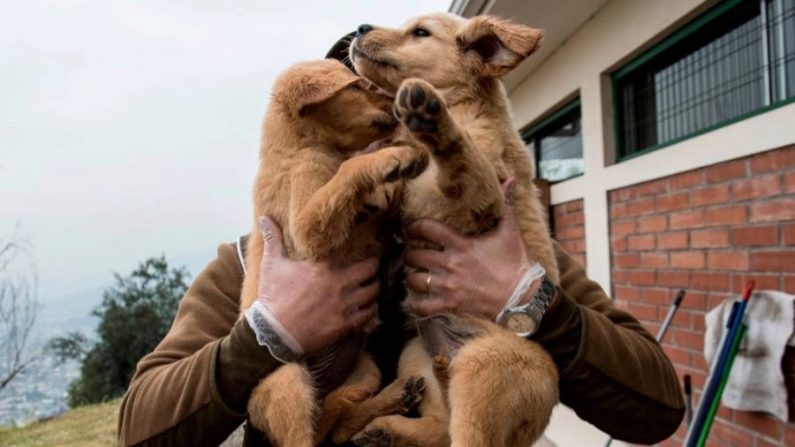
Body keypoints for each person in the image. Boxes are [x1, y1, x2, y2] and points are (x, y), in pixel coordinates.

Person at [117, 39, 685, 447]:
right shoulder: (254, 261)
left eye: (396, 119)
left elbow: (657, 408)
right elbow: (139, 428)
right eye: (361, 126)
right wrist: (268, 331)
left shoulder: (499, 245)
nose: (381, 143)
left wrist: (529, 300)